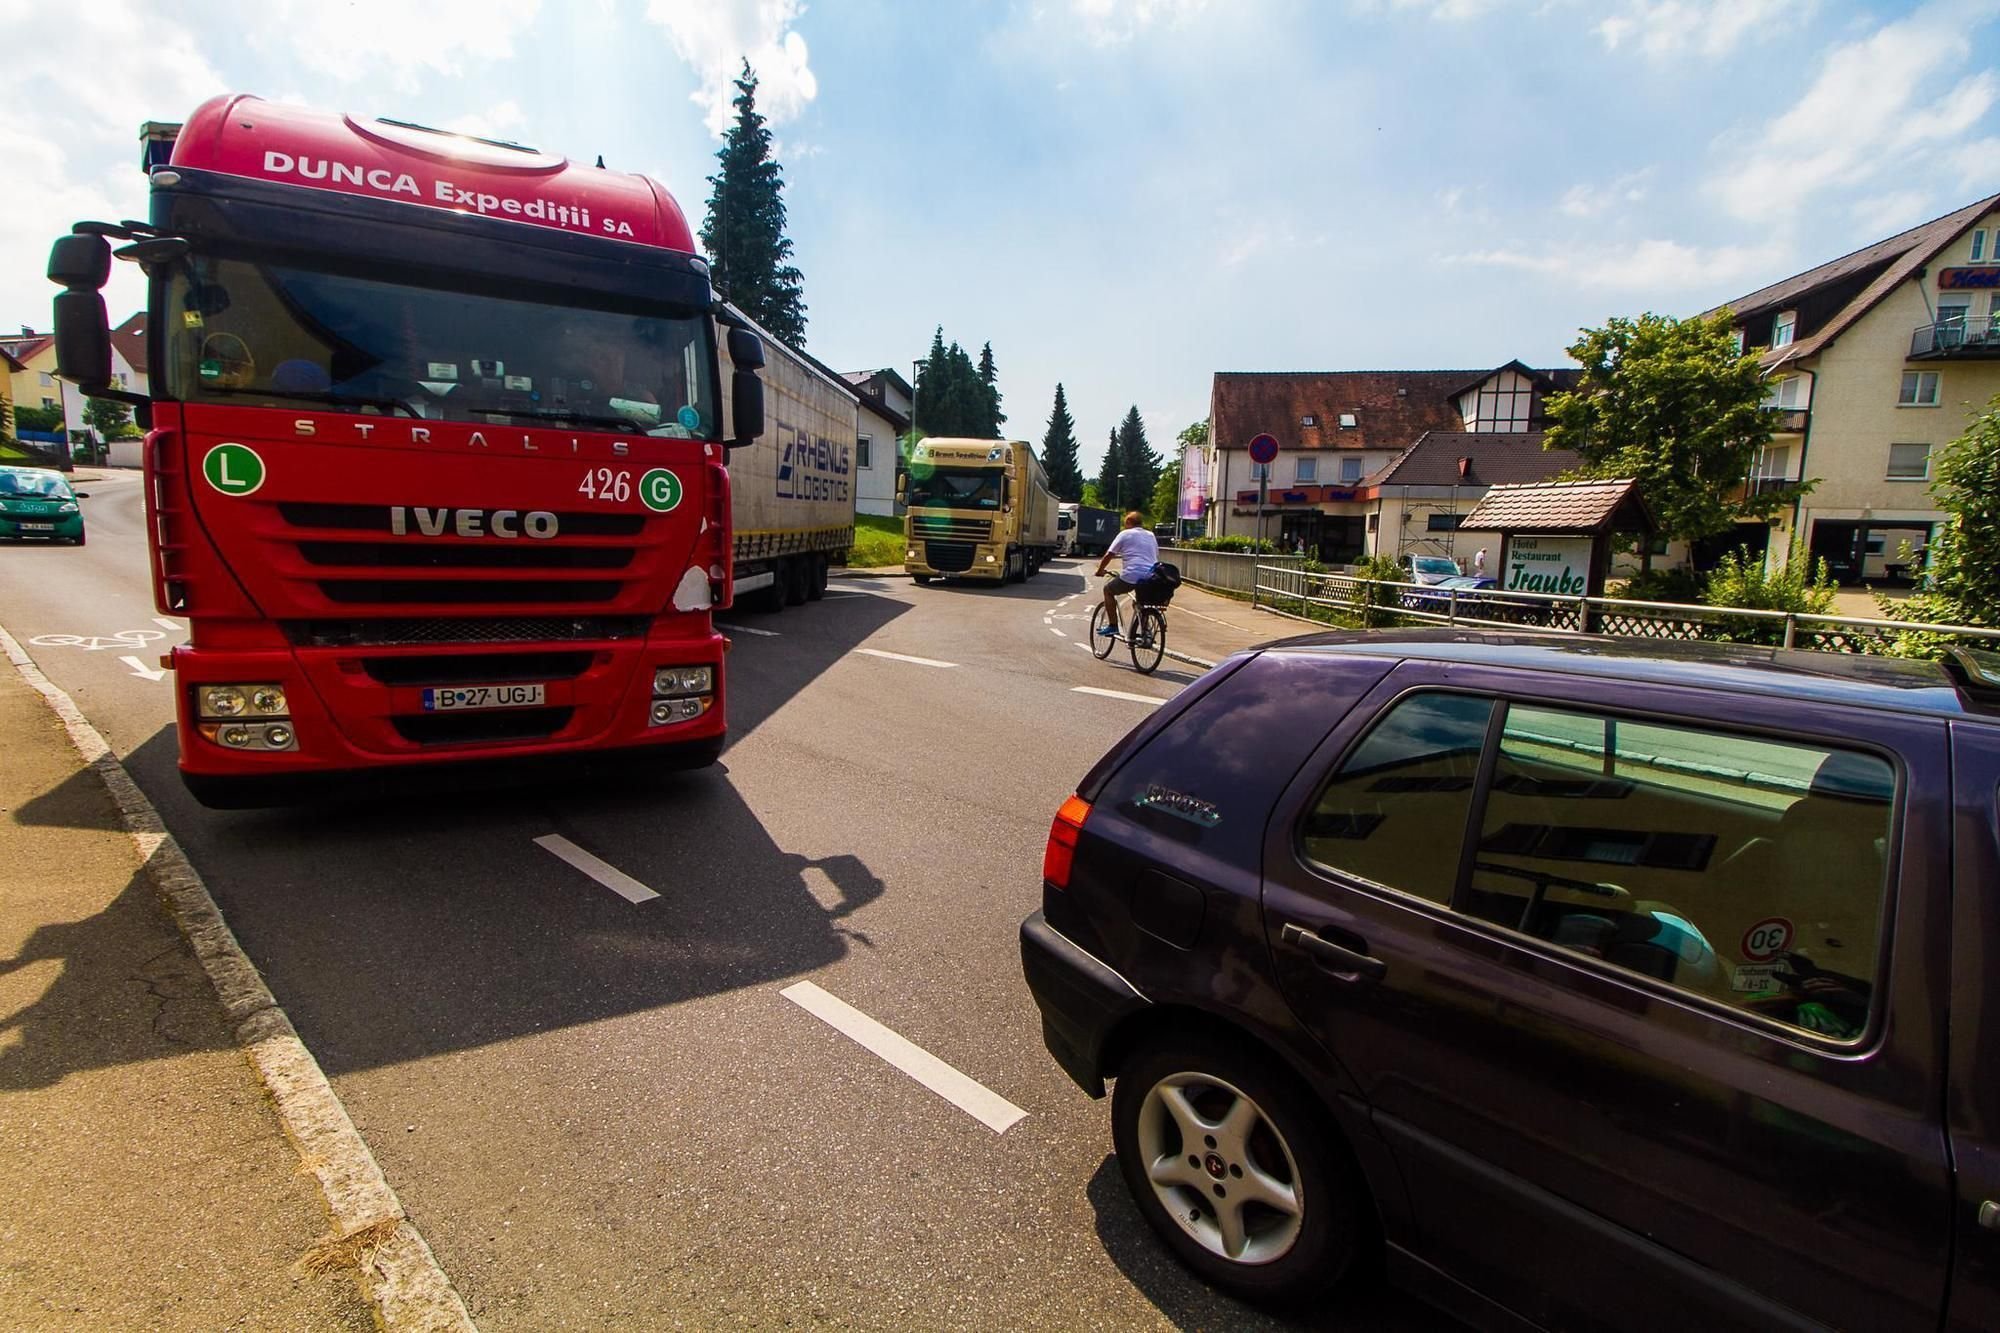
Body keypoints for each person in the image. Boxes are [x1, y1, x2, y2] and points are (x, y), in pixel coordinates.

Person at [1095, 510, 1159, 637]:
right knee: (1141, 601)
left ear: (1129, 522)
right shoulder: (1151, 535)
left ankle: (1113, 626)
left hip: (1131, 575)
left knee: (1108, 590)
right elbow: (1155, 555)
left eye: (1125, 523)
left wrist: (1100, 570)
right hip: (1151, 575)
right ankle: (1145, 632)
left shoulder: (1125, 534)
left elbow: (1109, 554)